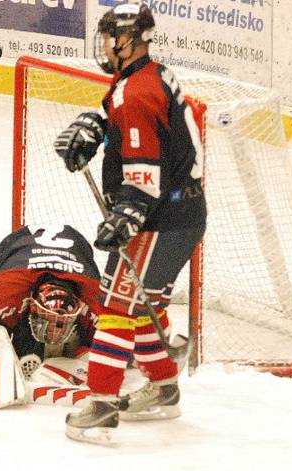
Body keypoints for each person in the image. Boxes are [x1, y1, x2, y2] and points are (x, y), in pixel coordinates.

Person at [54, 2, 206, 444]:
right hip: (181, 215)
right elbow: (124, 111)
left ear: (129, 40)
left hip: (162, 218)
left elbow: (145, 173)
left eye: (109, 38)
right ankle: (162, 387)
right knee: (143, 304)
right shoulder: (145, 75)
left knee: (117, 308)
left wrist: (127, 213)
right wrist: (97, 125)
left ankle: (101, 403)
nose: (103, 46)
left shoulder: (136, 93)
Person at [0, 224, 101, 408]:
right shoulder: (7, 289)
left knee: (97, 340)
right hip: (17, 246)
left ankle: (60, 339)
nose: (54, 335)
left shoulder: (95, 298)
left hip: (76, 246)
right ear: (30, 300)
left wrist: (82, 352)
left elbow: (120, 339)